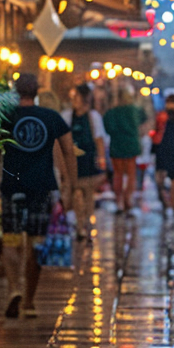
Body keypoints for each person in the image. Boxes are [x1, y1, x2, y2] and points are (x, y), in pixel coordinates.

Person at [0, 73, 78, 318]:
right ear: (37, 91)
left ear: (15, 90)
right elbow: (69, 151)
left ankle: (14, 288)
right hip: (41, 186)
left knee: (10, 240)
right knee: (36, 243)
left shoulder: (5, 117)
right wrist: (70, 188)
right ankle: (29, 302)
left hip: (12, 185)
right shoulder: (51, 117)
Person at [69, 83, 106, 240]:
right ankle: (80, 224)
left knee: (89, 194)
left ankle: (88, 223)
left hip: (88, 159)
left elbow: (99, 139)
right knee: (76, 193)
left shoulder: (93, 117)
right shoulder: (67, 116)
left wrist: (102, 159)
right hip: (73, 161)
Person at [103, 87, 145, 213]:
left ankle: (119, 200)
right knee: (131, 174)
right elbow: (144, 119)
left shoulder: (112, 112)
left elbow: (107, 128)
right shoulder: (134, 110)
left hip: (116, 145)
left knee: (118, 174)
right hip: (131, 145)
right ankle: (128, 198)